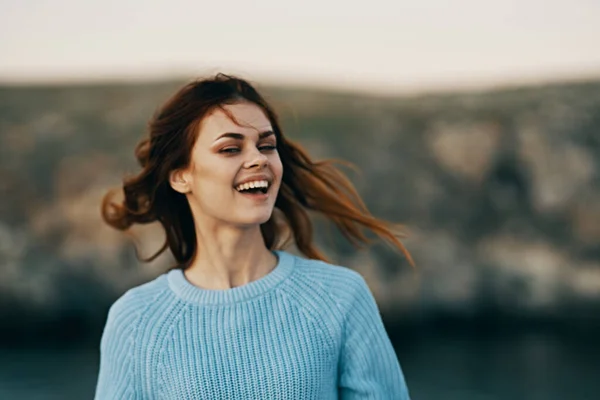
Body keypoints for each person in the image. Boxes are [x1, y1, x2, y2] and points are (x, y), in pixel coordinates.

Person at [95, 73, 413, 399]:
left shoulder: (340, 297)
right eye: (231, 148)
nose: (258, 158)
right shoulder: (135, 321)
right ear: (181, 176)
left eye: (266, 146)